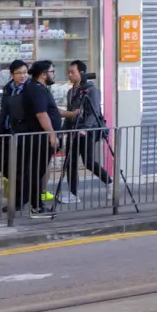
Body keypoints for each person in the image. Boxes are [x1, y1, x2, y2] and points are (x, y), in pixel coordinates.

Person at [63, 59, 112, 204]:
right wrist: (63, 130)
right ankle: (73, 193)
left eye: (73, 72)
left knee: (88, 162)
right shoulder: (71, 92)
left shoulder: (91, 90)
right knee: (70, 162)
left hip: (88, 131)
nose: (70, 75)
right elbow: (70, 112)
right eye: (69, 72)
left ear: (82, 73)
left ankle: (109, 182)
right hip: (74, 130)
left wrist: (84, 129)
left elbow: (94, 111)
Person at [20, 59, 63, 215]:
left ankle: (37, 205)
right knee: (37, 172)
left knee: (38, 171)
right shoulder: (36, 89)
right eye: (52, 71)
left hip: (42, 136)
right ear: (44, 74)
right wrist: (51, 134)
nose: (54, 74)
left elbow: (49, 110)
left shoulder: (39, 88)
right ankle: (37, 206)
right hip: (40, 138)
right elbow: (41, 113)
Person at [0, 59, 30, 207]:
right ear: (12, 75)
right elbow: (3, 111)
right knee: (2, 164)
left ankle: (20, 199)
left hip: (23, 133)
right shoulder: (8, 88)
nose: (22, 76)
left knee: (21, 167)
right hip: (7, 132)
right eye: (19, 73)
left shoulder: (30, 88)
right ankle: (20, 193)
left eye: (25, 72)